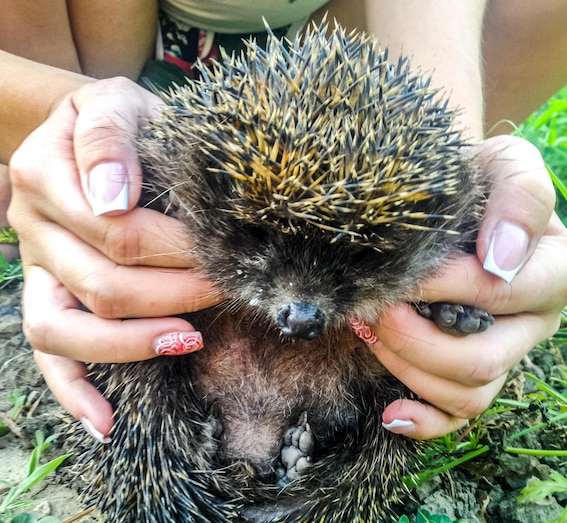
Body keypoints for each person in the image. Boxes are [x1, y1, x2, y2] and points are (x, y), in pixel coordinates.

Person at [2, 0, 566, 443]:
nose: (299, 313)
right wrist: (63, 124)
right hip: (83, 49)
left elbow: (430, 133)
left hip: (329, 39)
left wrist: (460, 171)